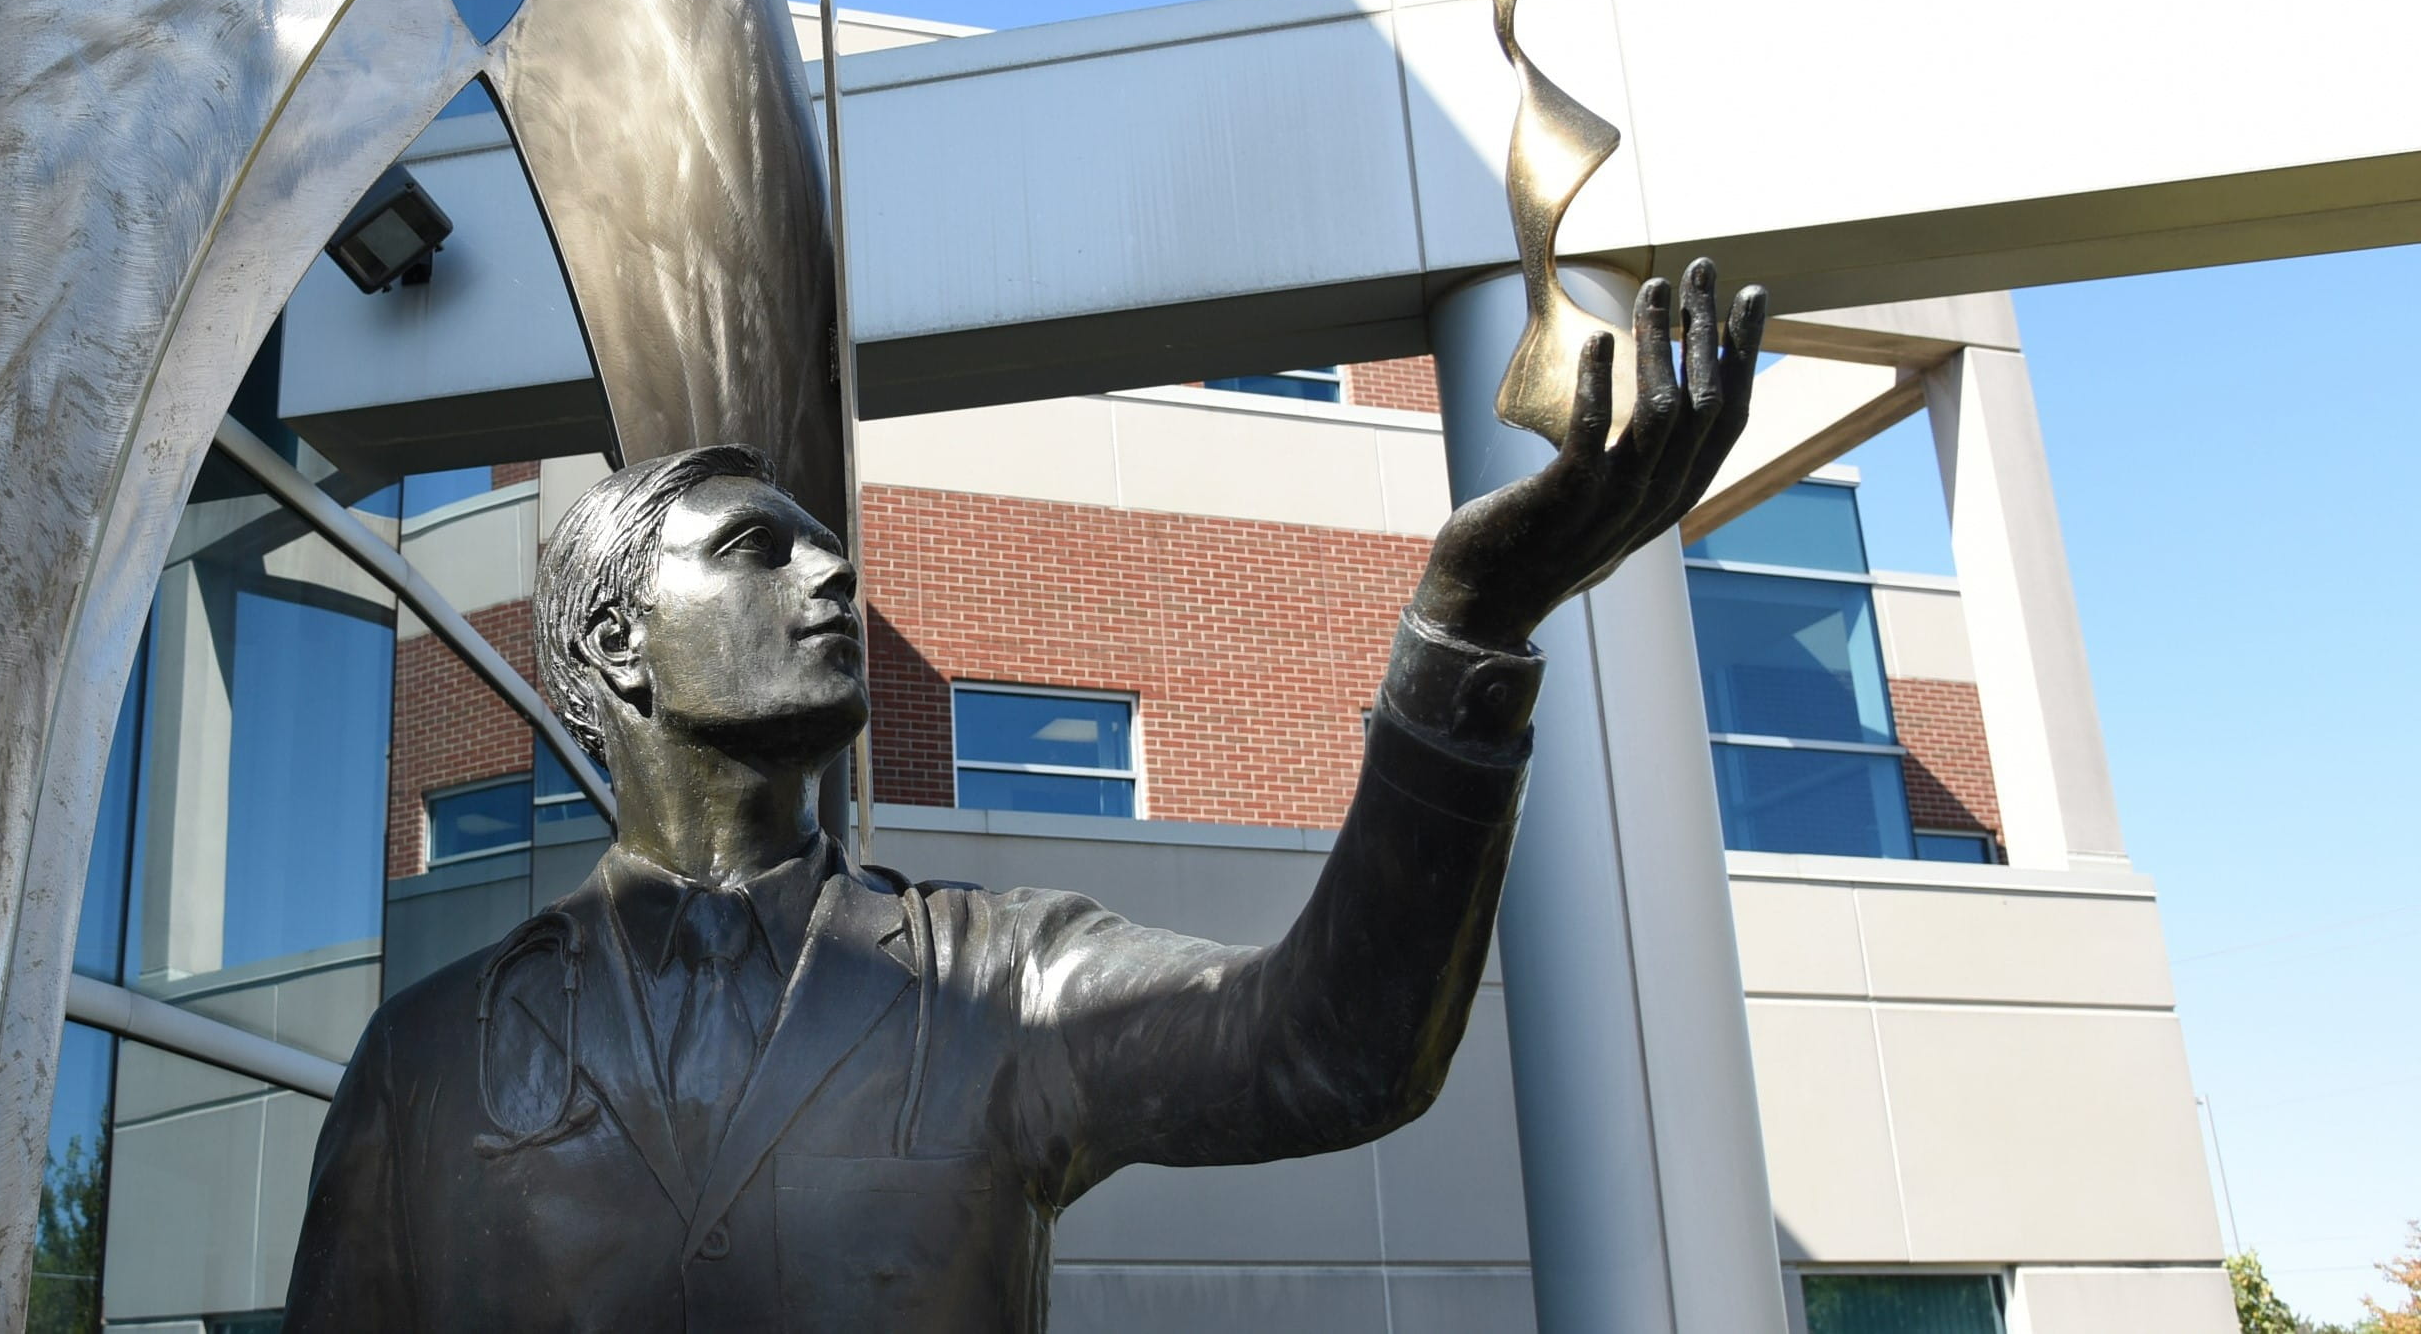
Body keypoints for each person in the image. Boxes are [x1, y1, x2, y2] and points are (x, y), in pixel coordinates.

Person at [287, 265, 1766, 1331]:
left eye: (827, 544)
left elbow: (1338, 1042)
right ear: (617, 640)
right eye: (758, 548)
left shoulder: (1001, 977)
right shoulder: (427, 1063)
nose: (836, 573)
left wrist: (1470, 624)